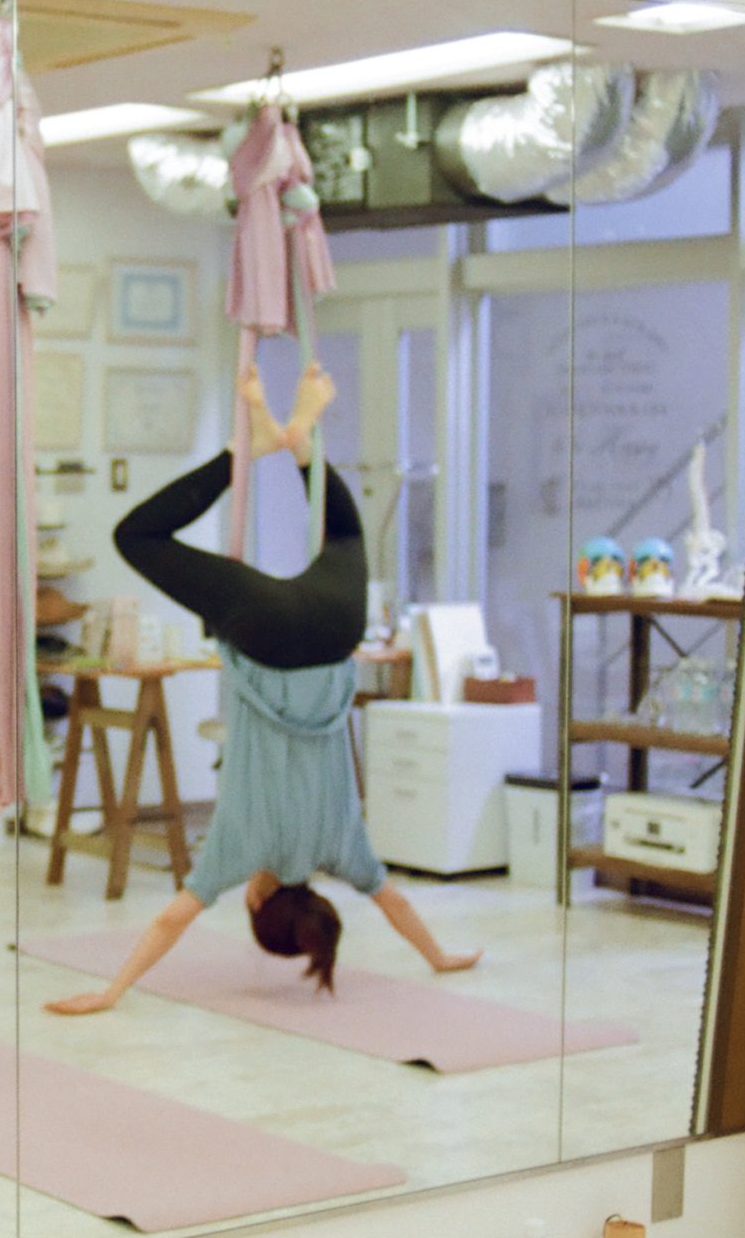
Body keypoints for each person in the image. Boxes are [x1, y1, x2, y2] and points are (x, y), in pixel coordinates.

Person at [46, 364, 476, 1018]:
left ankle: (300, 441)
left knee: (347, 535)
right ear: (255, 899)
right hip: (265, 627)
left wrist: (440, 956)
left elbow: (396, 904)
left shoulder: (345, 849)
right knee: (136, 537)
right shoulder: (237, 852)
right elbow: (170, 921)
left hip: (334, 627)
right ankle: (243, 452)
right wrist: (111, 991)